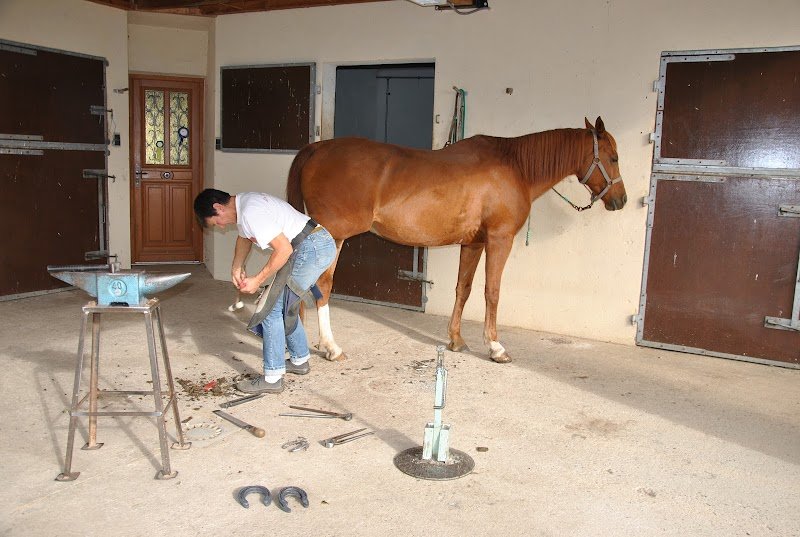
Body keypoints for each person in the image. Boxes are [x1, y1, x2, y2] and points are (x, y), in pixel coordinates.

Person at [193, 188, 336, 394]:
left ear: (218, 207)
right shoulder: (244, 207)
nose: (222, 226)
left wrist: (257, 280)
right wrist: (237, 265)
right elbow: (244, 238)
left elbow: (283, 250)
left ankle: (273, 379)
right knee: (285, 303)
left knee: (269, 309)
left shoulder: (251, 212)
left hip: (310, 249)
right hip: (310, 245)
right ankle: (299, 360)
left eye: (217, 222)